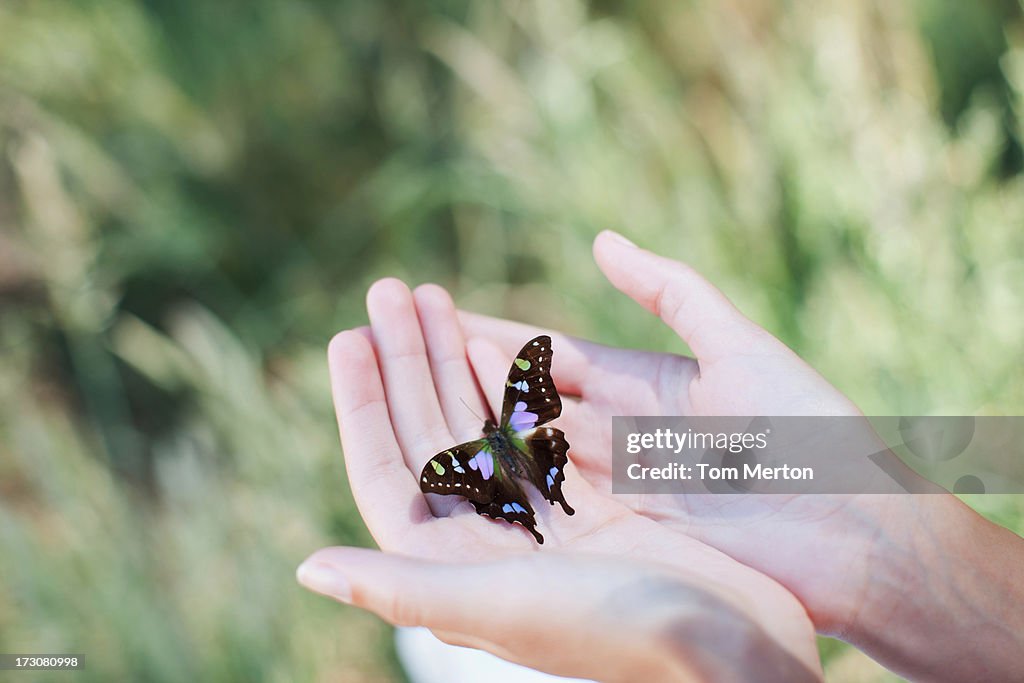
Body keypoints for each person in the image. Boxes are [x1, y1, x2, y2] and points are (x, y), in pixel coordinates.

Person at [297, 231, 1024, 682]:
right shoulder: (523, 422)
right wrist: (891, 543)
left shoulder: (473, 456)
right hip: (538, 452)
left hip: (529, 460)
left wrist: (727, 667)